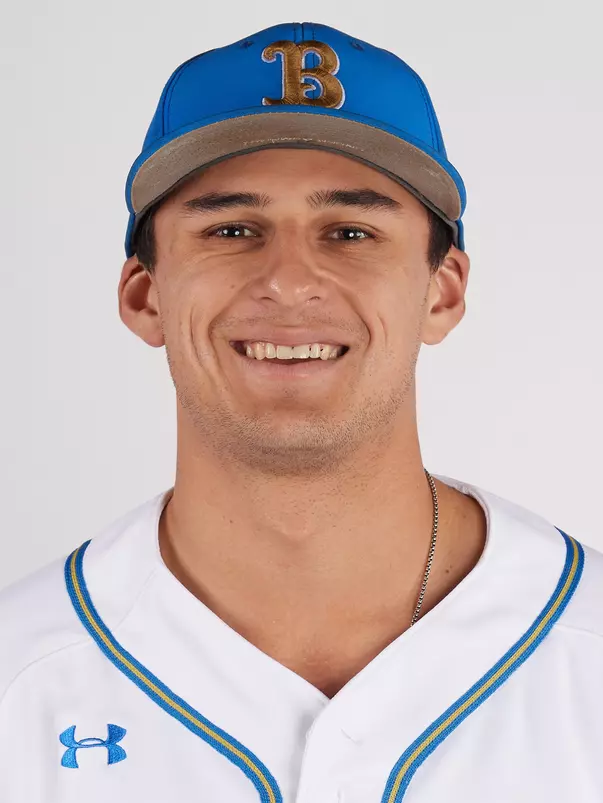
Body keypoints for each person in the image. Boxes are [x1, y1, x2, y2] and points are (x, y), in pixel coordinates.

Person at [1, 20, 602, 803]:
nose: (288, 280)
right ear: (145, 295)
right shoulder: (20, 672)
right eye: (232, 229)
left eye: (350, 231)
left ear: (442, 291)